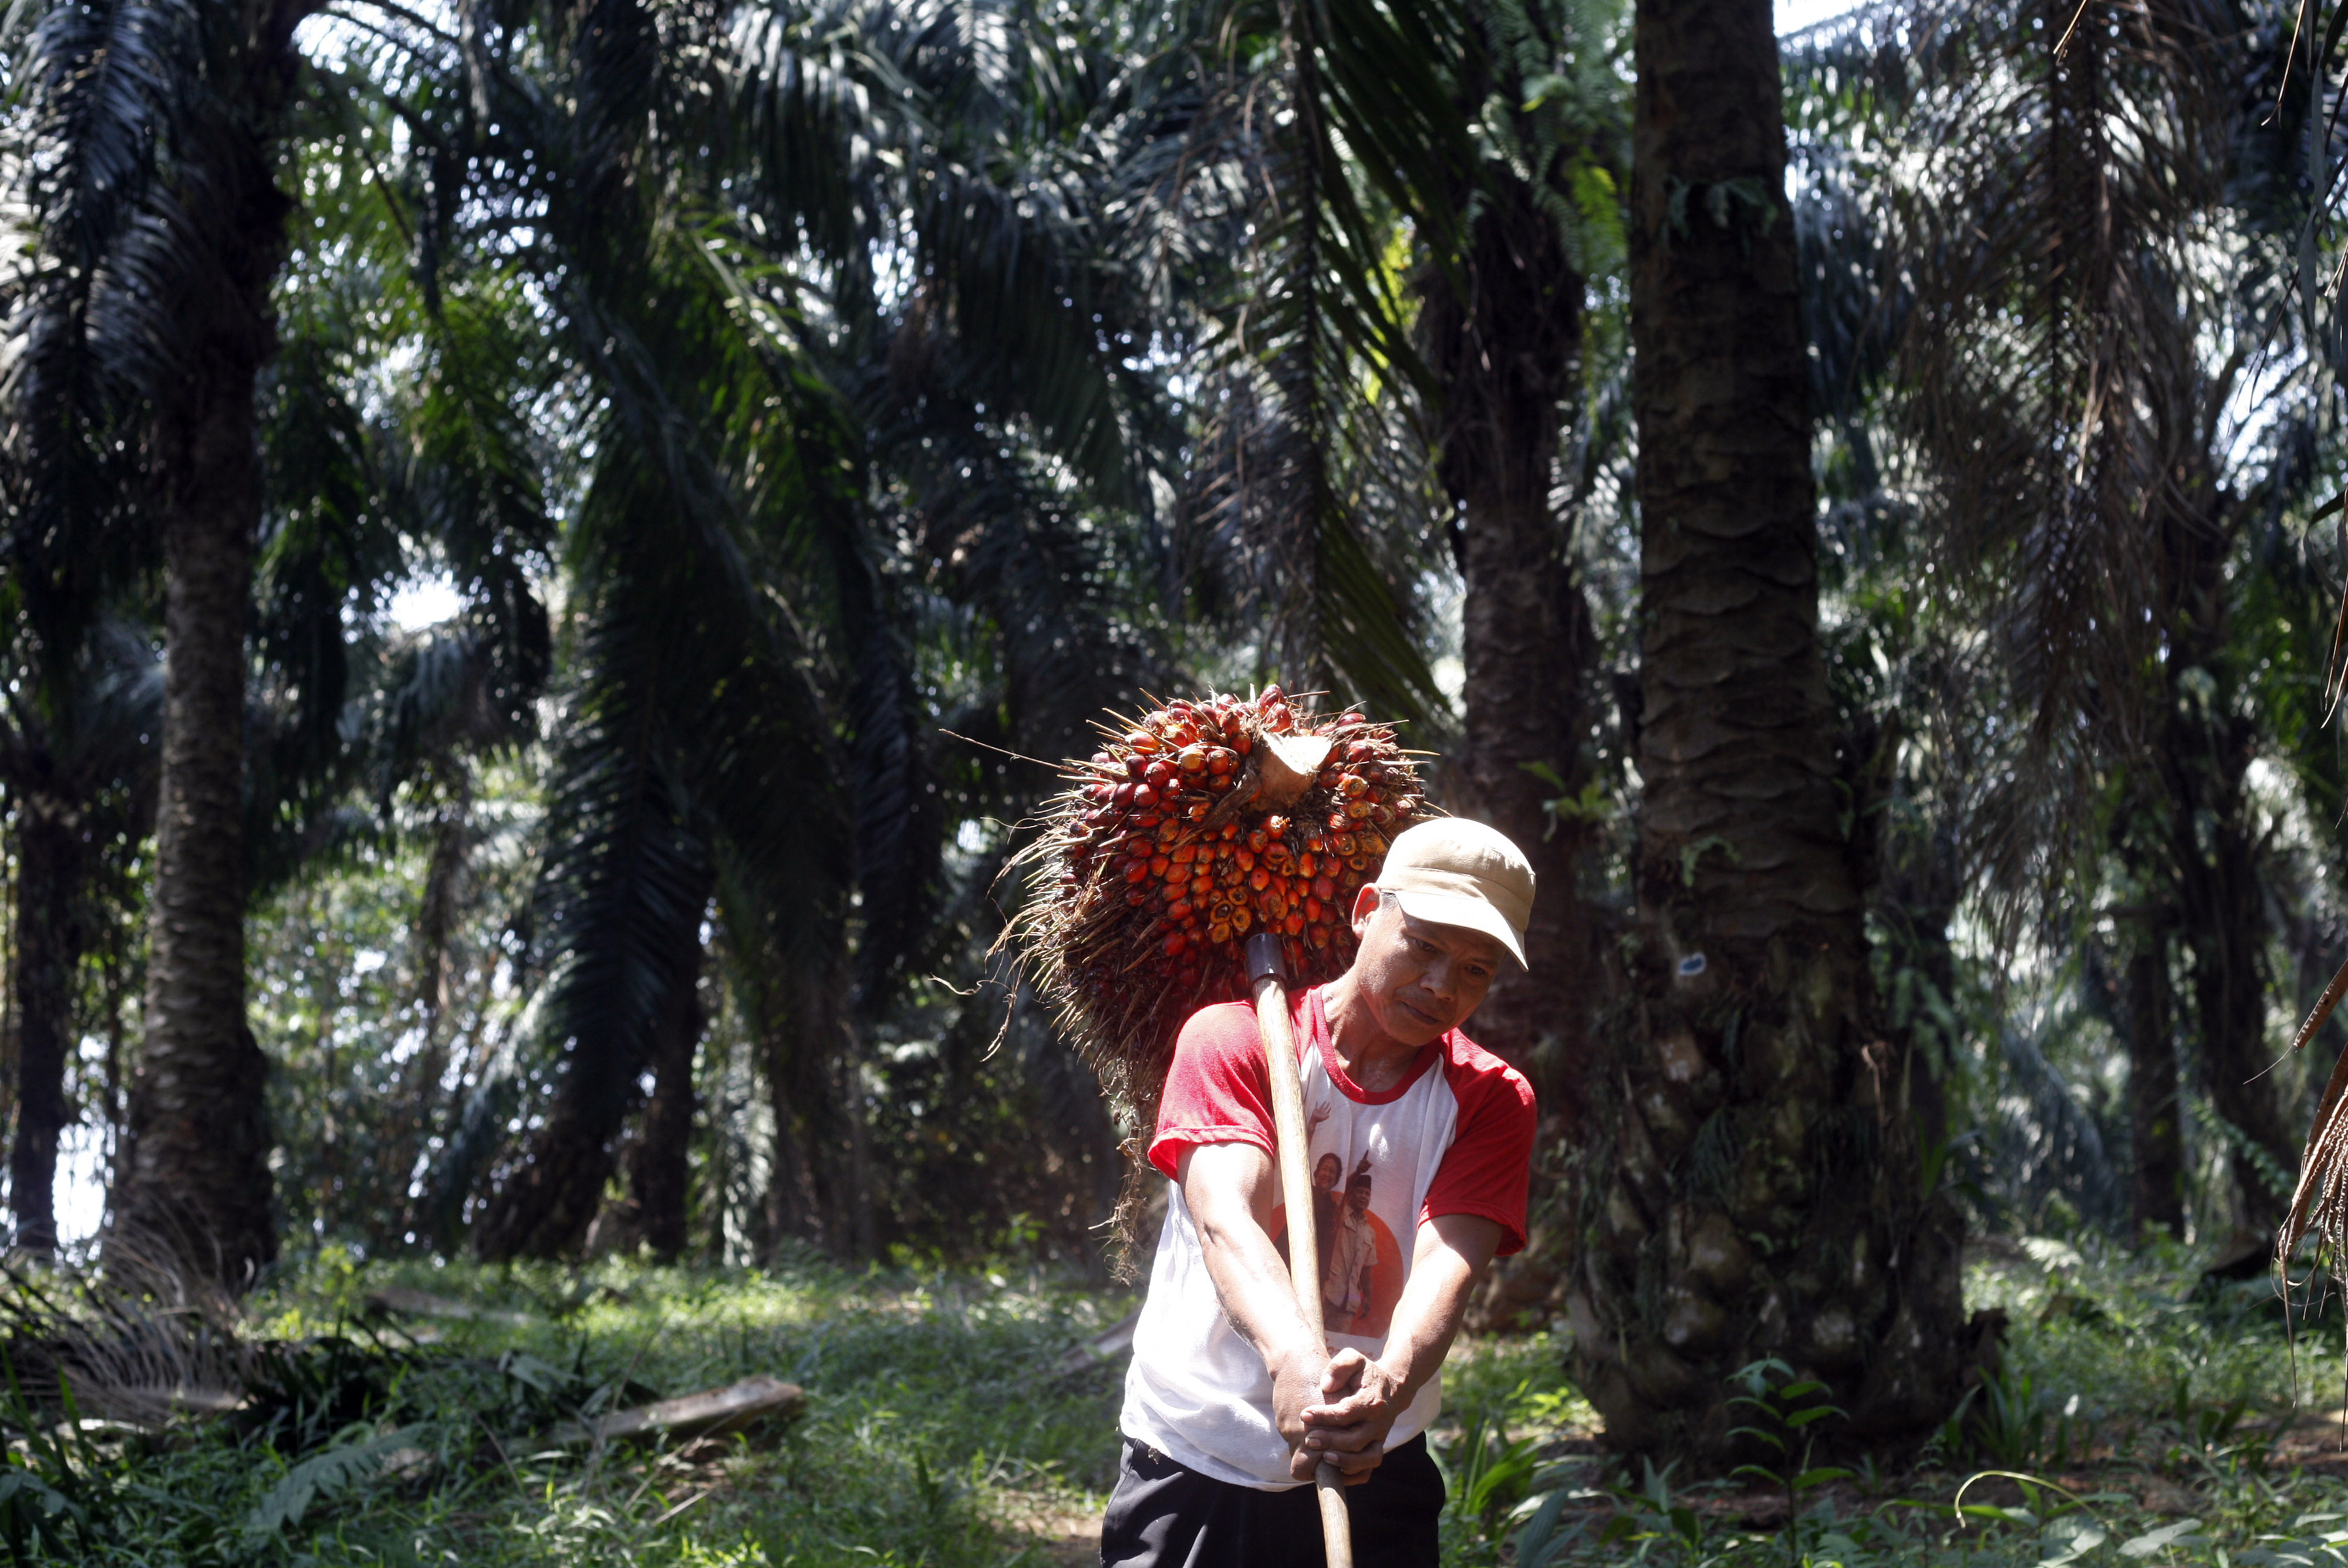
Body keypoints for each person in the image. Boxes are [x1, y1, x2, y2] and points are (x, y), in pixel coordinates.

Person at [1102, 817, 1540, 1568]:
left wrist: (1388, 1384)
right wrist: (1294, 1361)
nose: (1441, 985)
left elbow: (1448, 1264)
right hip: (1197, 1451)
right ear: (1368, 909)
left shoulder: (1491, 1098)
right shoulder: (1230, 1040)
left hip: (1378, 1453)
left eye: (1475, 969)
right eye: (1425, 944)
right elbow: (1226, 1219)